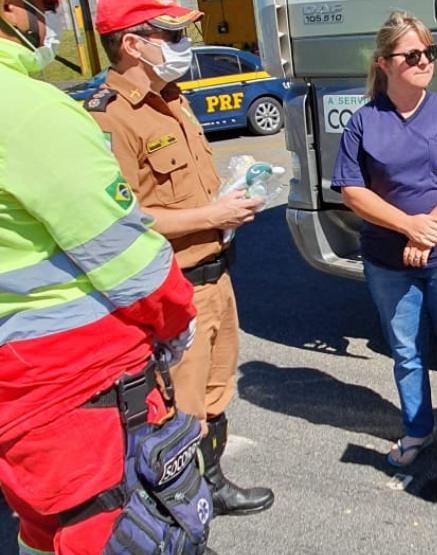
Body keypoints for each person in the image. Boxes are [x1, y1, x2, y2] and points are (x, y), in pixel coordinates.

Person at [0, 0, 201, 552]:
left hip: (21, 393)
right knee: (121, 530)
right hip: (75, 389)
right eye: (48, 5)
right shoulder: (31, 110)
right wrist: (177, 319)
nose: (53, 18)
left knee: (42, 530)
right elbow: (125, 254)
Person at [87, 0, 274, 516]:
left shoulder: (172, 99)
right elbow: (122, 219)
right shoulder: (110, 116)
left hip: (217, 277)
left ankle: (210, 486)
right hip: (173, 285)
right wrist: (212, 214)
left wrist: (229, 201)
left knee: (215, 391)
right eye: (170, 36)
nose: (182, 45)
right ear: (132, 43)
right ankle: (176, 511)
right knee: (179, 406)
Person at [332, 12, 437, 474]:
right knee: (406, 353)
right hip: (388, 262)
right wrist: (408, 226)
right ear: (384, 63)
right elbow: (353, 192)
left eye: (430, 52)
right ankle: (417, 429)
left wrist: (429, 230)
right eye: (413, 54)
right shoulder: (364, 122)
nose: (425, 61)